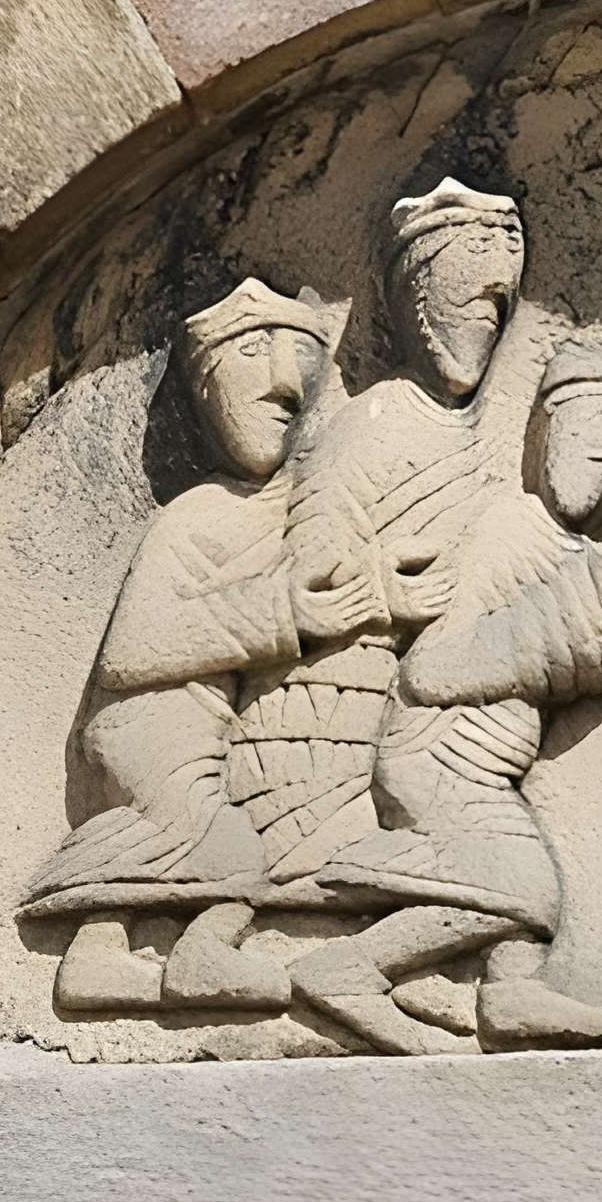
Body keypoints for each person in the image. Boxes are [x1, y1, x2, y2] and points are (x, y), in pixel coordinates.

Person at [291, 335, 602, 1055]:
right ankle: (348, 970)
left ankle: (505, 993)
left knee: (509, 876)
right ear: (548, 431)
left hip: (485, 766)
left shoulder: (570, 548)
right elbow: (436, 669)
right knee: (523, 879)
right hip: (437, 757)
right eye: (597, 460)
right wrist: (598, 620)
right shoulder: (511, 526)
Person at [21, 276, 358, 1015]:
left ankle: (97, 959)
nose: (282, 389)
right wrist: (282, 611)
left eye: (297, 371)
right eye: (257, 363)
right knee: (226, 847)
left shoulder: (276, 509)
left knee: (169, 837)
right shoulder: (196, 514)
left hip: (202, 725)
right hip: (149, 719)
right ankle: (199, 957)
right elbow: (131, 652)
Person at [227, 179, 531, 891]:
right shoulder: (378, 421)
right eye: (465, 308)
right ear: (417, 306)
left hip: (422, 722)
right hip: (328, 723)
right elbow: (310, 574)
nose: (479, 329)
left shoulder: (468, 439)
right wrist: (391, 591)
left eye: (494, 316)